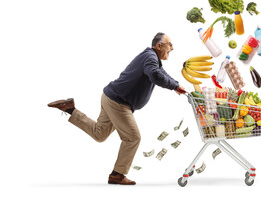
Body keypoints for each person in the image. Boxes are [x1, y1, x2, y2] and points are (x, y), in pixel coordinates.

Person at [48, 32, 186, 185]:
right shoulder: (150, 57)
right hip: (118, 103)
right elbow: (155, 74)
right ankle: (117, 175)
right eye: (170, 44)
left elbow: (160, 72)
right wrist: (174, 85)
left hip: (109, 97)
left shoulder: (152, 58)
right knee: (133, 138)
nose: (172, 48)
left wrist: (176, 85)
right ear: (159, 45)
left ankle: (70, 109)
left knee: (99, 134)